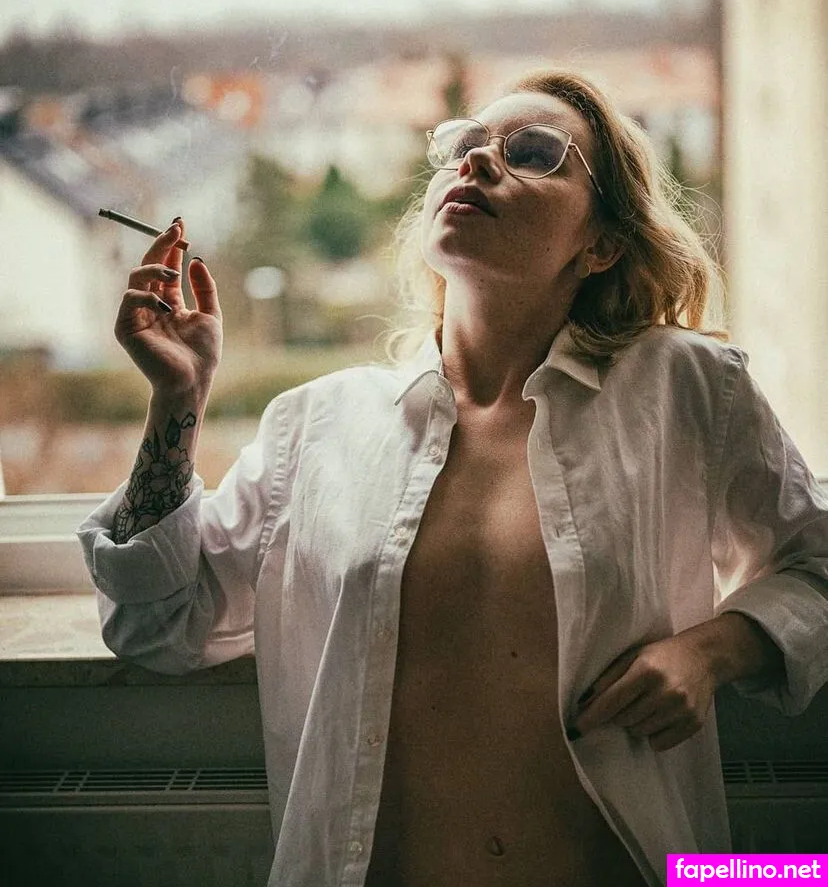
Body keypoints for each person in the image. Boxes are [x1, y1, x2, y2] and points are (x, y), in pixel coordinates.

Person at [77, 67, 828, 887]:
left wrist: (712, 653)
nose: (476, 160)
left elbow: (817, 565)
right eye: (463, 144)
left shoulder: (684, 389)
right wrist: (177, 398)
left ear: (601, 244)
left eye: (532, 152)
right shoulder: (316, 427)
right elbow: (156, 622)